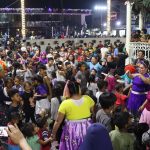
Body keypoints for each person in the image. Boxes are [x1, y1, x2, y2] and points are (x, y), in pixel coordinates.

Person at [51, 81, 95, 150]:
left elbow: (58, 121)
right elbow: (93, 112)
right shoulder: (87, 98)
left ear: (68, 91)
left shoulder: (65, 103)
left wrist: (53, 134)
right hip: (87, 127)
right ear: (79, 89)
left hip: (72, 130)